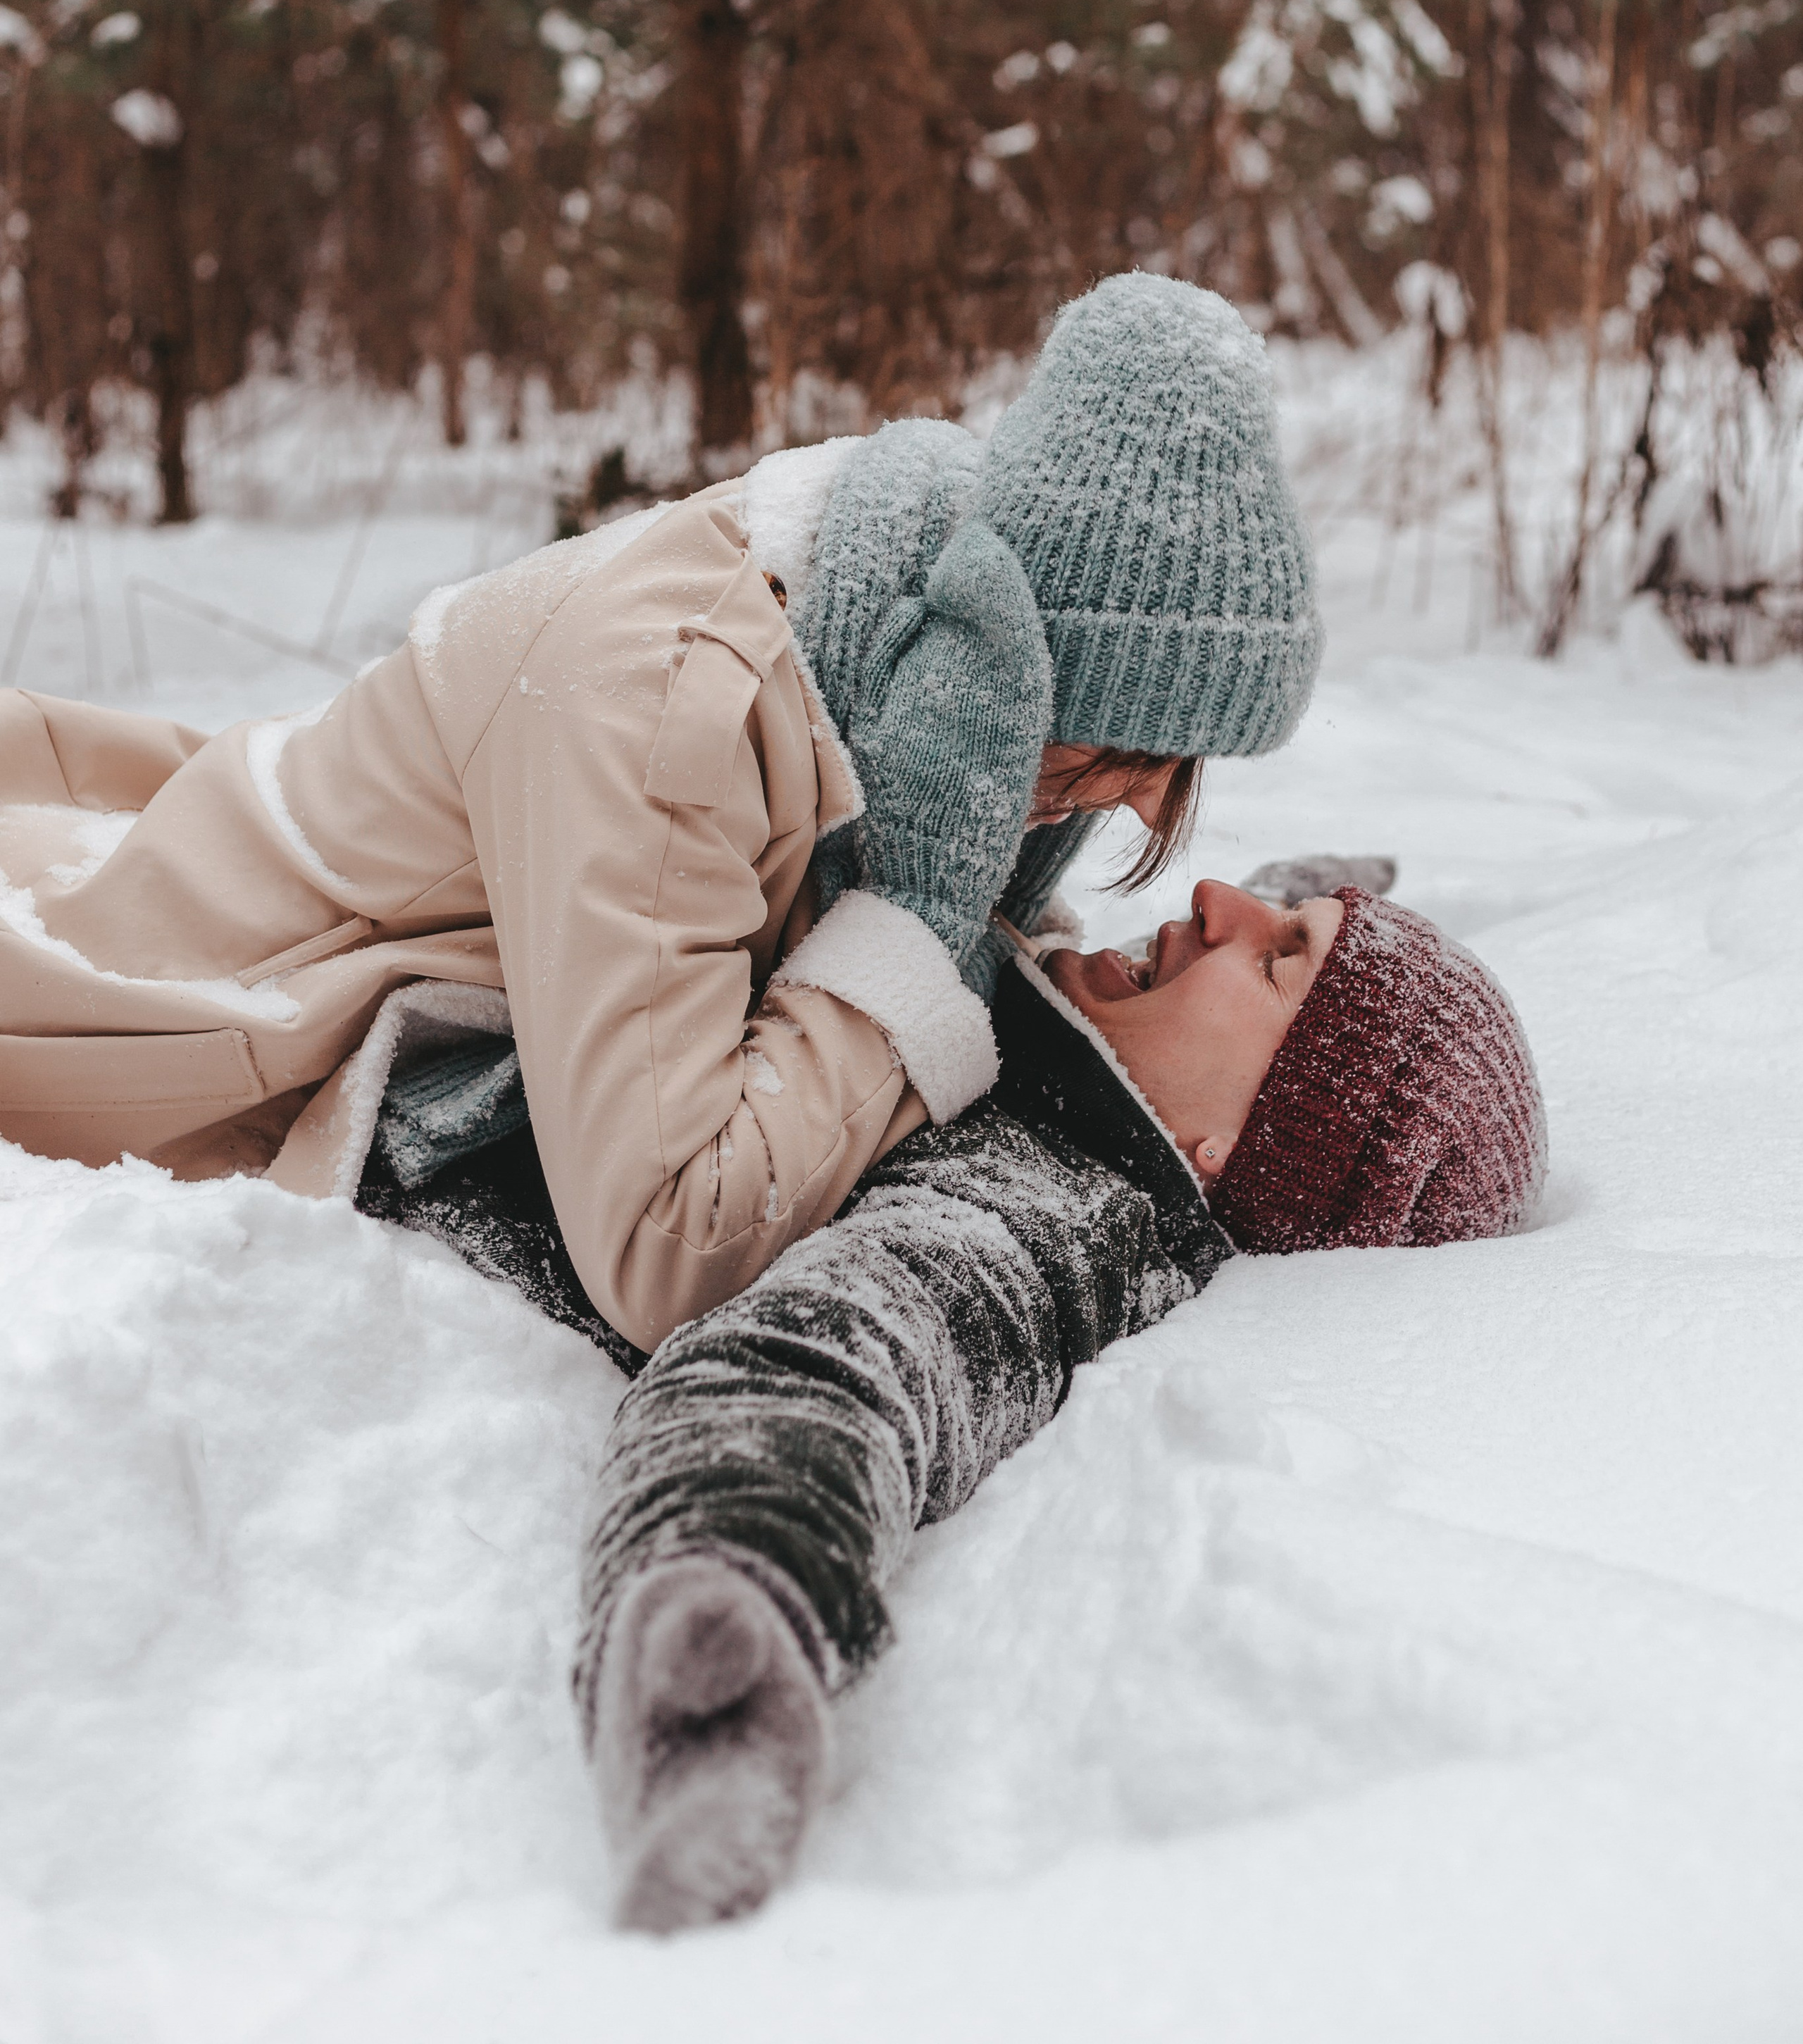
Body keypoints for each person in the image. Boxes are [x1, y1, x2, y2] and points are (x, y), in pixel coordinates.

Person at [0, 275, 1323, 1352]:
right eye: (1109, 773)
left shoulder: (900, 649)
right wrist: (915, 916)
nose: (1124, 821)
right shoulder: (669, 705)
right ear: (1020, 680)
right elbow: (666, 1246)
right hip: (175, 993)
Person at [556, 878, 1547, 1933]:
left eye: (1275, 956)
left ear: (1238, 1147)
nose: (1217, 899)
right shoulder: (1106, 1081)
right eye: (1280, 903)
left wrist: (734, 1612)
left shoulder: (1042, 1210)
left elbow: (830, 1353)